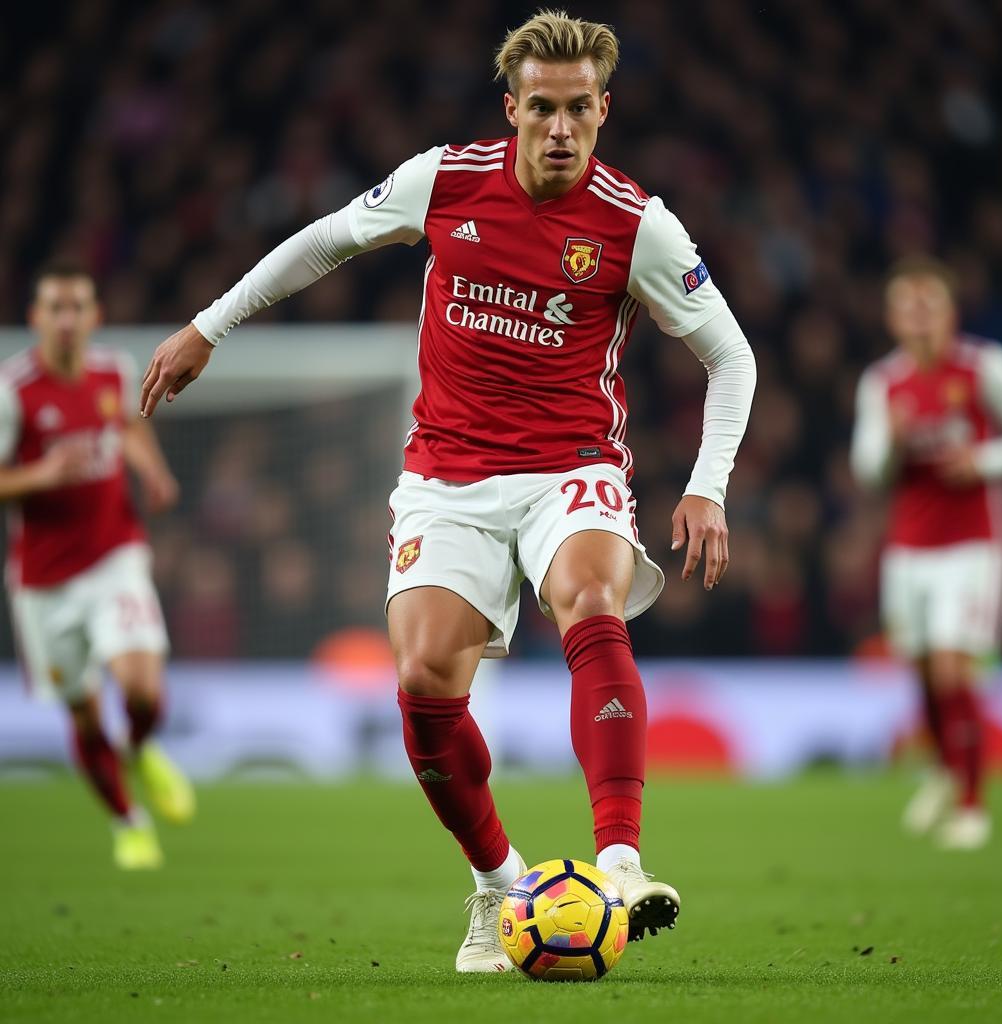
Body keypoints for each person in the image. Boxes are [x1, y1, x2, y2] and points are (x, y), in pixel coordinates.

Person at [140, 11, 755, 968]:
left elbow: (732, 355)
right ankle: (497, 884)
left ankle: (622, 861)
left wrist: (708, 486)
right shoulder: (443, 180)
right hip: (447, 475)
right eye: (542, 108)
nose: (561, 128)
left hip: (571, 468)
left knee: (593, 599)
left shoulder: (638, 223)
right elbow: (325, 240)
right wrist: (209, 327)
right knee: (426, 682)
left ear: (604, 111)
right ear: (511, 108)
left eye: (580, 110)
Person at [0, 262, 194, 869]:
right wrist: (41, 474)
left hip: (114, 556)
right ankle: (127, 821)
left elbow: (126, 426)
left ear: (94, 316)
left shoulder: (112, 369)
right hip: (43, 580)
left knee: (142, 691)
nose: (66, 319)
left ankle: (138, 749)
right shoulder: (14, 391)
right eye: (54, 307)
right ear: (35, 318)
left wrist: (152, 468)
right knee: (84, 716)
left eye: (76, 307)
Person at [851, 256, 1002, 850]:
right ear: (893, 316)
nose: (919, 317)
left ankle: (973, 806)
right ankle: (947, 772)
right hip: (908, 548)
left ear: (950, 312)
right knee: (923, 672)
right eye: (908, 305)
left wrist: (984, 460)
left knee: (954, 667)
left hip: (974, 543)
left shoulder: (985, 368)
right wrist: (894, 444)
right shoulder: (882, 381)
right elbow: (867, 471)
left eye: (930, 305)